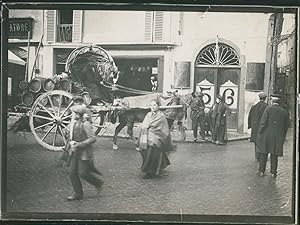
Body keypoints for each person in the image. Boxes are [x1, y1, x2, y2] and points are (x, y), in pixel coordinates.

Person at [67, 97, 103, 200]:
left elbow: (92, 138)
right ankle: (78, 194)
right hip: (75, 151)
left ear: (80, 115)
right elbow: (72, 134)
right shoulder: (74, 123)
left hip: (84, 152)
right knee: (72, 173)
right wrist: (70, 140)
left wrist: (79, 144)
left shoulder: (86, 124)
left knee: (83, 173)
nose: (73, 116)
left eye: (75, 114)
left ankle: (98, 183)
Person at [255, 94, 289, 178]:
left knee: (264, 154)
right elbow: (286, 126)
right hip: (277, 137)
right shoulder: (284, 111)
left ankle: (261, 171)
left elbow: (263, 122)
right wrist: (283, 136)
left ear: (272, 101)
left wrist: (259, 133)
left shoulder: (268, 109)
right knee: (274, 155)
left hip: (266, 136)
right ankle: (273, 172)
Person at [137, 100, 171, 178]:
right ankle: (150, 168)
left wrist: (149, 128)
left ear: (158, 106)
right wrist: (145, 128)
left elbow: (161, 128)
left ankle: (151, 172)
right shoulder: (148, 114)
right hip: (147, 135)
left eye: (154, 105)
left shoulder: (161, 116)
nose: (152, 107)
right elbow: (144, 124)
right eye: (151, 105)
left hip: (157, 136)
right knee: (144, 148)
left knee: (153, 146)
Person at [248, 93, 268, 161]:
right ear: (265, 98)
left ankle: (257, 156)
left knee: (256, 142)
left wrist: (250, 125)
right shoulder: (267, 106)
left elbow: (250, 116)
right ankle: (261, 156)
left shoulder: (254, 106)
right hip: (263, 127)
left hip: (255, 127)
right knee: (262, 142)